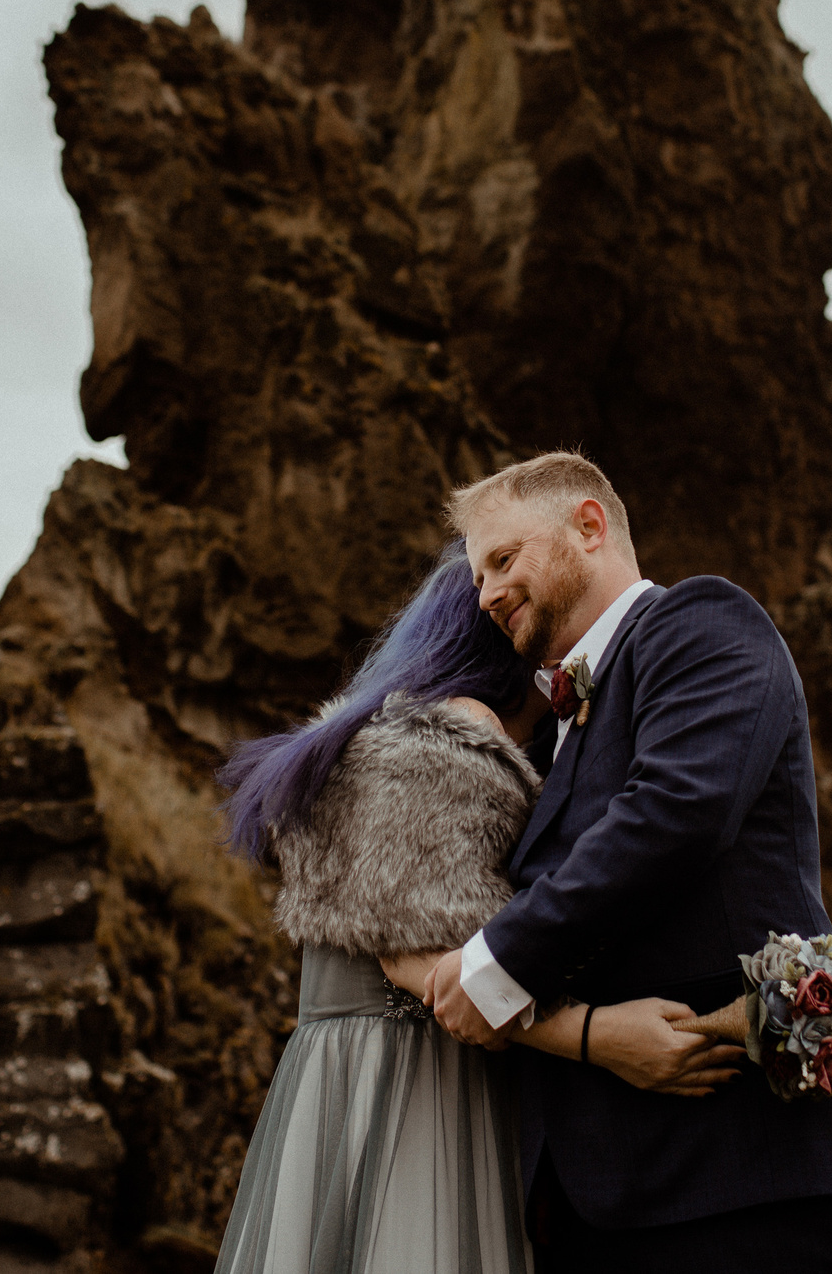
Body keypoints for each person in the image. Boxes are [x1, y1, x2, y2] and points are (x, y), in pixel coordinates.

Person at [426, 451, 832, 1273]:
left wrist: (494, 966)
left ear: (589, 526)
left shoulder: (700, 622)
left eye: (504, 558)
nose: (485, 592)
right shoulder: (555, 731)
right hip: (606, 1195)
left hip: (749, 1175)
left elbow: (676, 811)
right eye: (479, 574)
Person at [210, 541, 743, 1274]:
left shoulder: (386, 741)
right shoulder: (448, 741)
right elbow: (416, 958)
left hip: (358, 1079)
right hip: (412, 1081)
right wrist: (603, 1036)